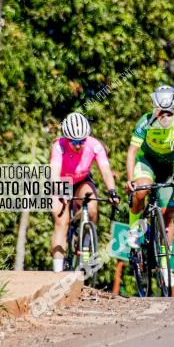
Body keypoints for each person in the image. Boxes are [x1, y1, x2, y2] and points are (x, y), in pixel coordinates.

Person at [125, 85, 174, 288]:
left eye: (168, 112)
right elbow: (131, 152)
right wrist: (131, 179)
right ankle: (134, 229)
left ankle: (165, 261)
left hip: (170, 165)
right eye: (160, 111)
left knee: (169, 212)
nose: (164, 116)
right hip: (147, 161)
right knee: (142, 190)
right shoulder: (145, 122)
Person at [49, 112, 120, 272]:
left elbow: (105, 170)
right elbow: (54, 172)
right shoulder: (58, 146)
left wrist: (112, 191)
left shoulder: (94, 145)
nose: (79, 145)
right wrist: (60, 191)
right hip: (61, 181)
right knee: (62, 222)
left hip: (82, 180)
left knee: (93, 207)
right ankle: (57, 272)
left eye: (82, 140)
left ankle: (86, 245)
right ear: (67, 139)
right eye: (74, 142)